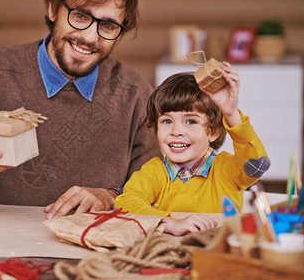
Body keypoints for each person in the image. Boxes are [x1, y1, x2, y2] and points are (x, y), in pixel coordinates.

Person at [0, 0, 161, 219]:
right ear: (53, 8)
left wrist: (110, 196)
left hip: (94, 243)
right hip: (2, 244)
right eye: (80, 16)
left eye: (108, 26)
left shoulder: (136, 92)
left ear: (118, 35)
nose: (89, 37)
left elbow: (156, 186)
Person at [114, 64, 270, 236]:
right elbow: (125, 204)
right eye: (167, 121)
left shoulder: (226, 169)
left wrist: (231, 114)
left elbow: (257, 165)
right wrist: (170, 223)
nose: (176, 131)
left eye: (191, 121)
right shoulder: (153, 171)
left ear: (213, 132)